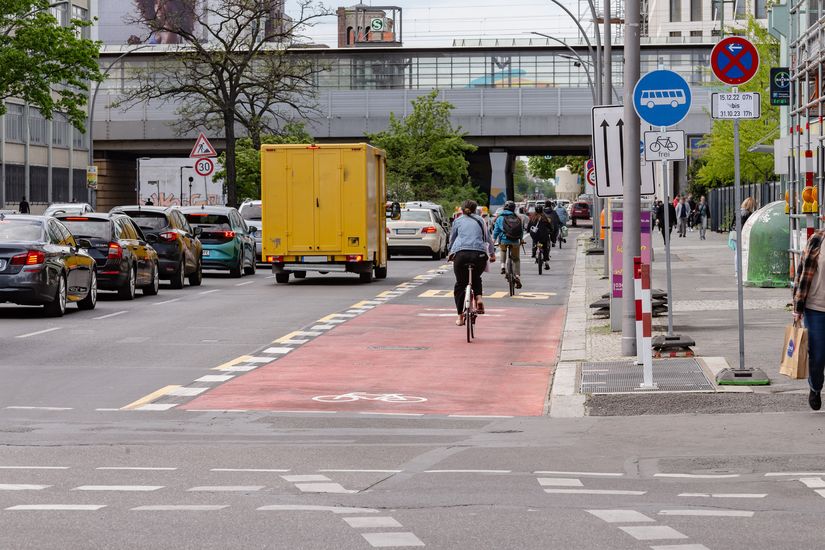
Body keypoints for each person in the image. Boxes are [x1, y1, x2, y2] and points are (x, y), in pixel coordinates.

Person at [793, 222, 825, 410]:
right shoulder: (816, 240)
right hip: (816, 308)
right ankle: (815, 387)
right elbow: (801, 274)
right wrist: (797, 307)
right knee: (818, 355)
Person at [449, 200, 495, 326]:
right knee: (476, 277)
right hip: (479, 255)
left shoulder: (457, 221)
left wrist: (450, 253)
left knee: (460, 284)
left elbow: (452, 239)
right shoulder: (481, 220)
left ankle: (460, 317)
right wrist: (492, 254)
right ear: (476, 210)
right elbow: (488, 239)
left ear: (461, 210)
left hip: (461, 254)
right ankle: (479, 298)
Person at [493, 200, 523, 289]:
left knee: (502, 250)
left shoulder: (500, 217)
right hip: (515, 241)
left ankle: (502, 266)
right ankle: (517, 276)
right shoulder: (517, 218)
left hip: (504, 240)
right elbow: (521, 231)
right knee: (516, 259)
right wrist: (521, 240)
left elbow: (496, 231)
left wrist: (493, 241)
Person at [528, 204, 552, 271]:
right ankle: (546, 261)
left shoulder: (533, 218)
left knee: (535, 241)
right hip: (544, 236)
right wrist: (551, 231)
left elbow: (528, 227)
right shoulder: (544, 218)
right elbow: (549, 226)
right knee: (545, 247)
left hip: (535, 236)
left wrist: (528, 230)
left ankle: (534, 253)